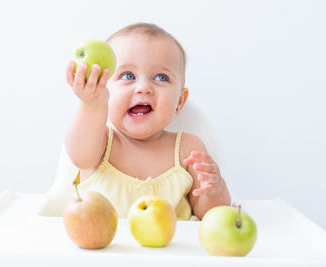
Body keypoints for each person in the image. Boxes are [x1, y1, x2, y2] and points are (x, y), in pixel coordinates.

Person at [65, 22, 231, 220]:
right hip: (104, 247)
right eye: (128, 75)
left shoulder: (187, 149)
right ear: (106, 91)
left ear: (180, 101)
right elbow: (79, 156)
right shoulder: (100, 143)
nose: (143, 87)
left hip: (172, 249)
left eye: (161, 77)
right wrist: (91, 105)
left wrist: (214, 190)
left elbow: (211, 216)